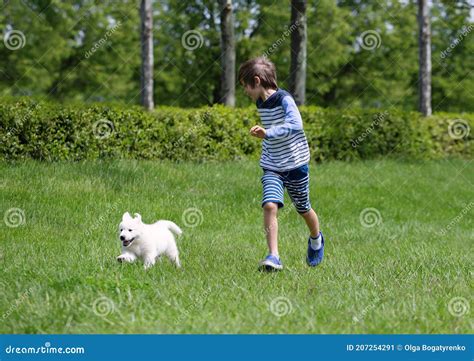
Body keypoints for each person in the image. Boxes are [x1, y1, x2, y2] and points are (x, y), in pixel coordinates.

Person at [238, 57, 325, 271]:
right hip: (272, 165)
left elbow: (296, 124)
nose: (245, 91)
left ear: (257, 81)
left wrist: (268, 133)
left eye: (245, 86)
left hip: (295, 164)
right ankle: (273, 256)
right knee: (269, 205)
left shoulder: (284, 99)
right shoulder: (261, 102)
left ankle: (316, 238)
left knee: (303, 208)